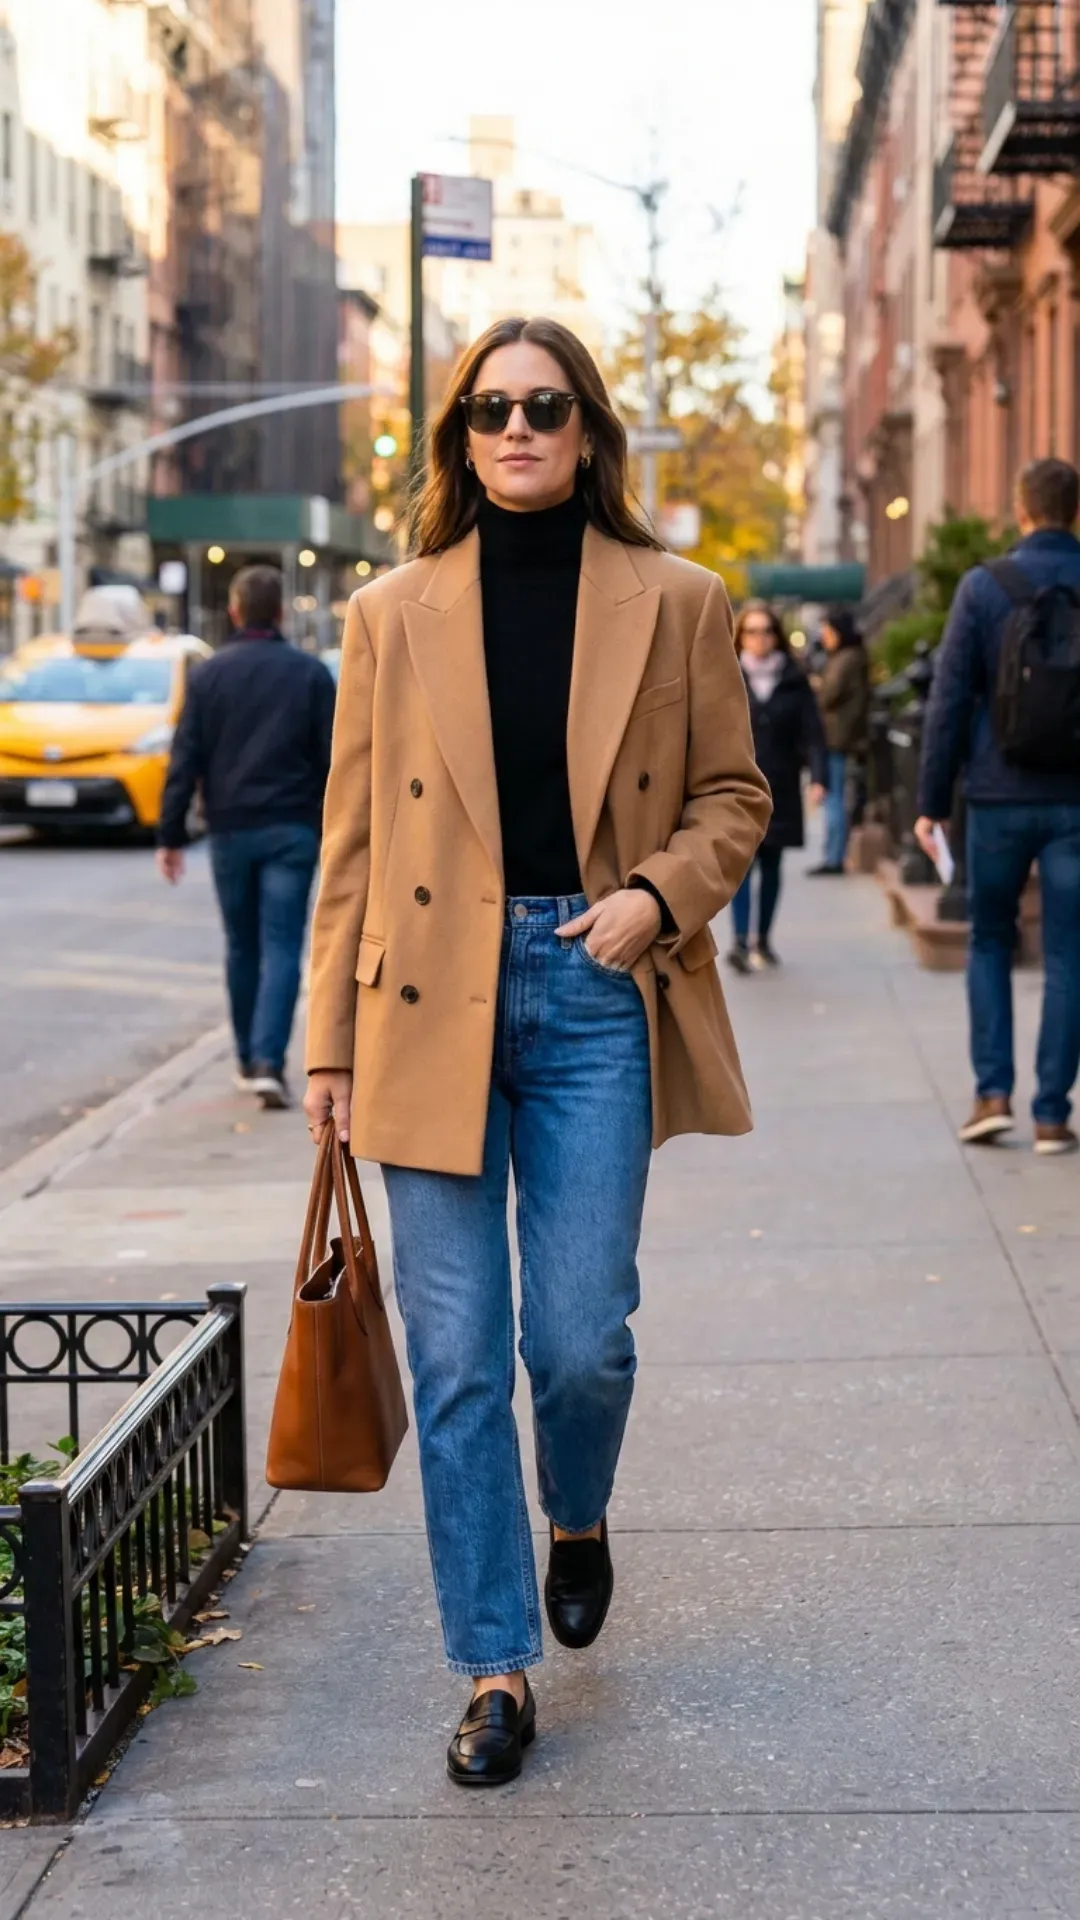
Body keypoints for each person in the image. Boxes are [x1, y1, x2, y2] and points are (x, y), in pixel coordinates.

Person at [302, 315, 771, 1786]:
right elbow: (350, 845)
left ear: (586, 432)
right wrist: (322, 1049)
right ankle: (493, 1666)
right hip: (419, 1004)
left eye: (545, 407)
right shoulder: (389, 612)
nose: (517, 429)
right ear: (459, 438)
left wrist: (652, 900)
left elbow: (734, 799)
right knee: (453, 1362)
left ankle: (579, 1508)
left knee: (574, 1341)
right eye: (491, 410)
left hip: (588, 984)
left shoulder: (678, 598)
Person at [916, 457, 1080, 1154]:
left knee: (989, 938)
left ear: (1020, 510)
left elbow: (948, 699)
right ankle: (1050, 1113)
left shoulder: (984, 587)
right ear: (1073, 512)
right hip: (1075, 801)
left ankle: (991, 1094)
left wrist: (931, 801)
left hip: (996, 795)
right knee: (1070, 956)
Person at [156, 564, 335, 1110]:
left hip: (231, 831)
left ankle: (244, 1058)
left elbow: (184, 758)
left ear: (235, 611)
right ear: (280, 611)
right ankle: (267, 1062)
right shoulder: (309, 675)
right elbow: (336, 762)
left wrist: (170, 835)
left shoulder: (209, 677)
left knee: (242, 945)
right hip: (293, 830)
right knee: (283, 945)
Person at [727, 601, 827, 971]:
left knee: (772, 864)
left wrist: (818, 778)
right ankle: (739, 941)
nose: (759, 639)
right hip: (737, 786)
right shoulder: (726, 675)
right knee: (741, 864)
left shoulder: (794, 679)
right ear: (741, 636)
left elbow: (813, 734)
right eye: (751, 631)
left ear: (777, 635)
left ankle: (763, 939)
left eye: (766, 631)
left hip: (781, 785)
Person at [808, 607, 869, 874]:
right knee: (833, 797)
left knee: (833, 798)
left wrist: (816, 684)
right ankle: (833, 854)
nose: (824, 636)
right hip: (837, 736)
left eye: (828, 631)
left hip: (837, 738)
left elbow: (829, 694)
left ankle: (834, 858)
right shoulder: (846, 657)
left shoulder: (847, 659)